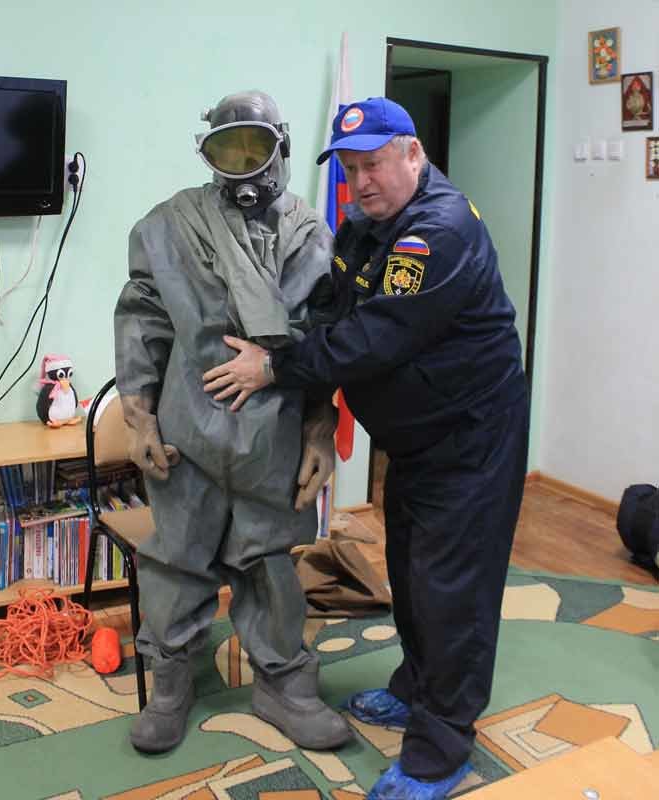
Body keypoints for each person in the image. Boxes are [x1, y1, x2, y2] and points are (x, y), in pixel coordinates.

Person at [202, 96, 529, 800]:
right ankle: (415, 688)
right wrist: (300, 370)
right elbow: (333, 310)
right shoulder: (367, 224)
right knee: (411, 571)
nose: (361, 182)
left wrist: (272, 366)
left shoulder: (435, 232)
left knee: (452, 591)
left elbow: (373, 338)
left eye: (373, 164)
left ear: (413, 153)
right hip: (415, 437)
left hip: (470, 440)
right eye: (349, 169)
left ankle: (440, 751)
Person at [114, 90, 351, 755]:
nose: (243, 164)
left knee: (269, 563)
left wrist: (318, 431)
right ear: (207, 153)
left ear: (281, 145)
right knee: (177, 558)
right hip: (187, 429)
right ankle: (170, 684)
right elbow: (142, 320)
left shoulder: (310, 234)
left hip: (271, 434)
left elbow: (323, 340)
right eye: (227, 149)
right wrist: (139, 418)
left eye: (255, 147)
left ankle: (283, 685)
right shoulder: (167, 226)